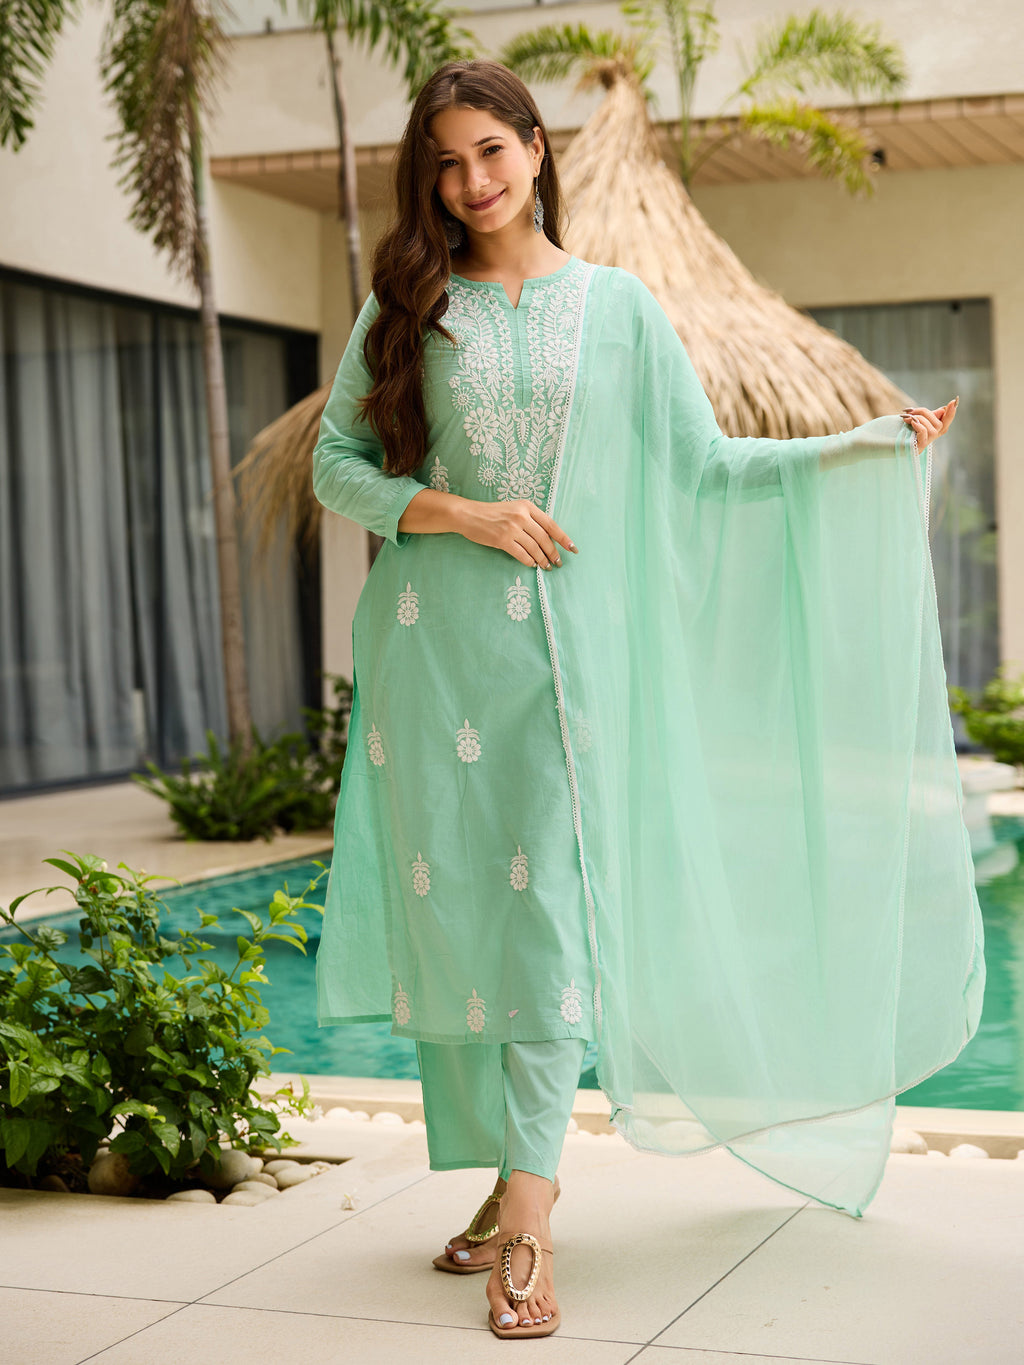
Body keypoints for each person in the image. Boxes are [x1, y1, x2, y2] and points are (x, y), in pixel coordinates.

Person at [311, 58, 982, 1341]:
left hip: (576, 673)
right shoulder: (407, 306)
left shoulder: (617, 308)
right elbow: (343, 466)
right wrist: (459, 513)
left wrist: (852, 447)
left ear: (535, 151)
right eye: (446, 163)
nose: (471, 182)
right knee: (472, 930)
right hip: (438, 657)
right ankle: (506, 1183)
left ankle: (529, 1226)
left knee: (553, 921)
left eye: (491, 153)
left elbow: (699, 464)